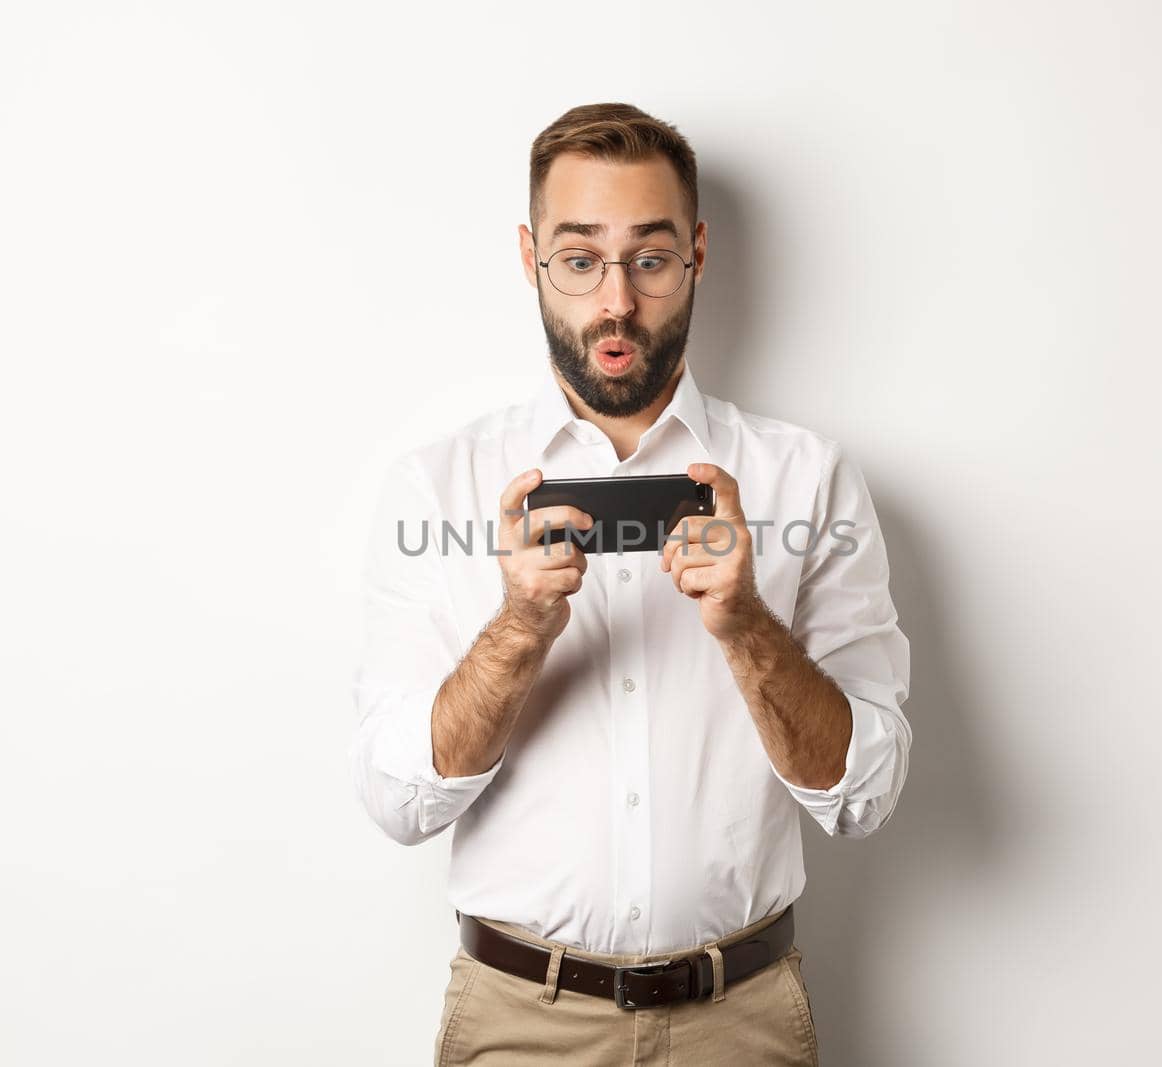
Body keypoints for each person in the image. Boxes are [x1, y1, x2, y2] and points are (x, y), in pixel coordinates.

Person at [350, 102, 912, 1067]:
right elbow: (399, 803)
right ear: (531, 257)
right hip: (519, 1023)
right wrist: (520, 627)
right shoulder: (435, 485)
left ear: (696, 253)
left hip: (743, 1020)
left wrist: (745, 627)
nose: (616, 302)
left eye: (649, 259)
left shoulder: (806, 480)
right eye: (580, 259)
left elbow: (864, 797)